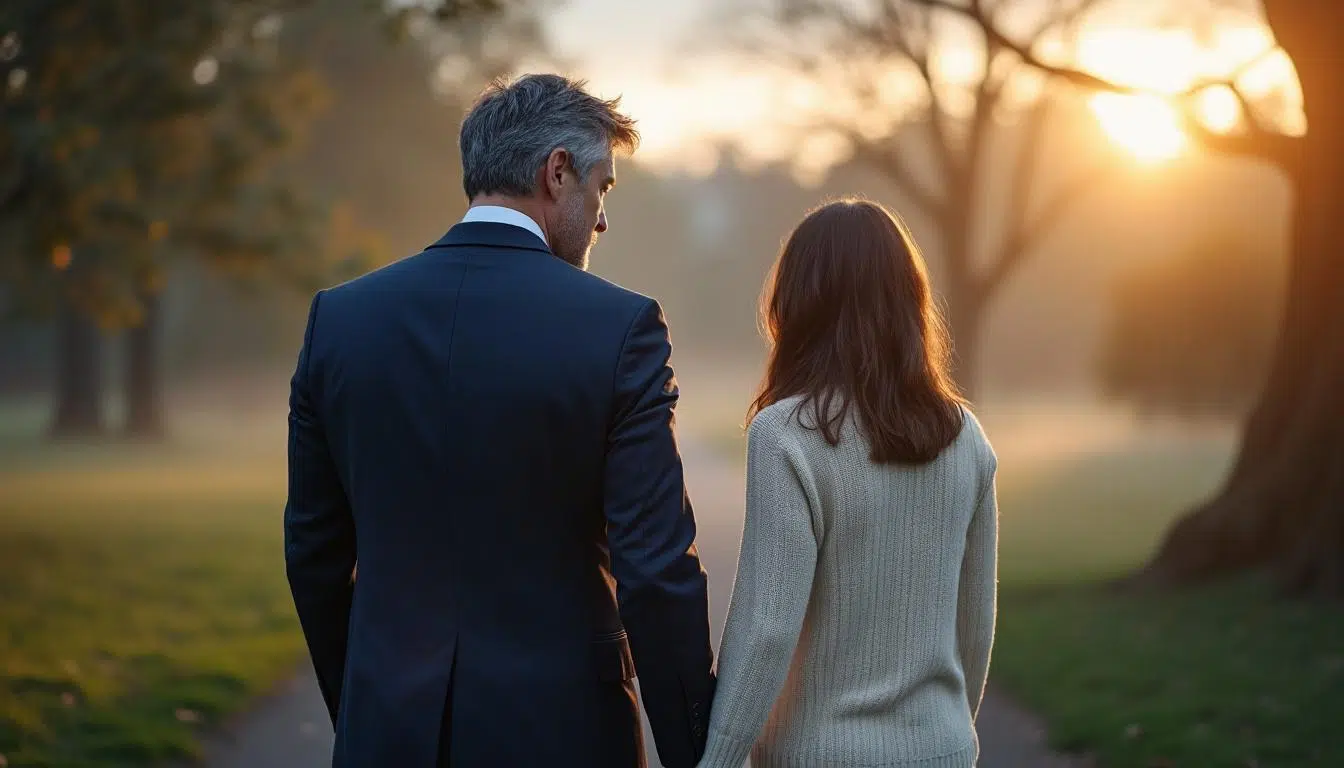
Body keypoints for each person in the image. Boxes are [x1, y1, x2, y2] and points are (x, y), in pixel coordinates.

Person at [284, 73, 716, 768]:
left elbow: (314, 556)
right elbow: (655, 571)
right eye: (602, 187)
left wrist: (369, 711)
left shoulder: (341, 322)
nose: (602, 218)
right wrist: (699, 751)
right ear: (557, 173)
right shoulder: (619, 328)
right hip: (565, 736)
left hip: (387, 735)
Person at [698, 199, 999, 768]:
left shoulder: (788, 433)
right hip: (943, 749)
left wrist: (716, 761)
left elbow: (767, 628)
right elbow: (975, 625)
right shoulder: (967, 437)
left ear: (800, 302)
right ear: (910, 300)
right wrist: (944, 731)